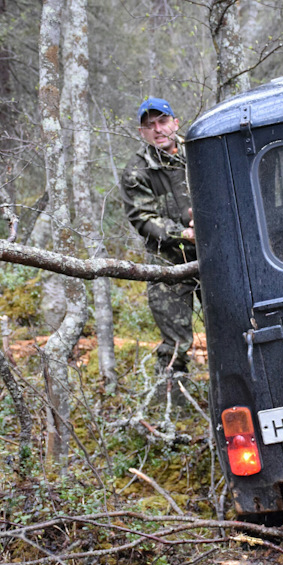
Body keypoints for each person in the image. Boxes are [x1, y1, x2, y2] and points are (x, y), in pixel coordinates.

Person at [121, 97, 199, 374]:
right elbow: (143, 219)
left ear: (175, 123)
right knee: (175, 343)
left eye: (163, 121)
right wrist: (184, 234)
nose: (158, 129)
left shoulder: (200, 152)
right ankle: (173, 406)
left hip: (213, 254)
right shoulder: (136, 171)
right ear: (142, 132)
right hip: (168, 262)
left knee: (233, 327)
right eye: (149, 125)